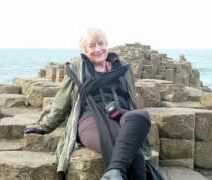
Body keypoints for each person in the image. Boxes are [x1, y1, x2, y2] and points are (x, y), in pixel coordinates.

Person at [24, 28, 154, 180]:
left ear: (107, 45)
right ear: (84, 50)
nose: (98, 49)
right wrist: (44, 127)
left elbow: (131, 97)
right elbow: (61, 104)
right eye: (92, 46)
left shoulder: (122, 67)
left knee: (141, 115)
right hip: (90, 118)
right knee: (133, 152)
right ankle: (116, 172)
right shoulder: (77, 69)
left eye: (101, 43)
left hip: (120, 113)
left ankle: (114, 171)